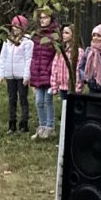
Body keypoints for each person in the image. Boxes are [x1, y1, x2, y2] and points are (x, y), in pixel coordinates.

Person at [0, 15, 33, 134]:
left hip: (21, 75)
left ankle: (24, 122)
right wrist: (1, 73)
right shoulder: (8, 41)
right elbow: (3, 57)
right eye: (14, 26)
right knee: (12, 99)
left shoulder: (27, 42)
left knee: (23, 98)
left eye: (18, 26)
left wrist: (27, 76)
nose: (15, 28)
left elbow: (28, 59)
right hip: (10, 75)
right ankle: (12, 123)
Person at [29, 10, 59, 140]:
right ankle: (41, 126)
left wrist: (50, 69)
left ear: (51, 18)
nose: (42, 20)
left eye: (45, 17)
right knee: (38, 102)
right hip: (37, 72)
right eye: (41, 18)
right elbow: (34, 55)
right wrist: (32, 70)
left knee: (48, 101)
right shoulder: (37, 35)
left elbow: (56, 55)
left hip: (49, 73)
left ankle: (49, 127)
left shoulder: (55, 35)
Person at [49, 24, 84, 101]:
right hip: (62, 87)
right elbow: (55, 68)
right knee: (64, 107)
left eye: (67, 33)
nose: (63, 35)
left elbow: (79, 70)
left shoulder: (79, 51)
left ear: (73, 35)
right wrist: (54, 86)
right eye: (63, 33)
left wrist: (78, 87)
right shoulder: (60, 51)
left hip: (73, 87)